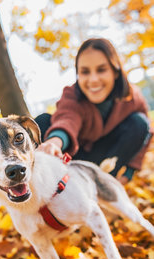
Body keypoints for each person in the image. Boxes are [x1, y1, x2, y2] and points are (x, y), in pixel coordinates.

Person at [35, 38, 153, 184]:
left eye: (101, 70)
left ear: (115, 71)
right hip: (73, 158)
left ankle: (104, 185)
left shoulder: (131, 97)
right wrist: (55, 142)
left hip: (106, 161)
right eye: (85, 72)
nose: (93, 79)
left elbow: (146, 133)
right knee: (42, 122)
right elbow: (67, 118)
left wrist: (128, 173)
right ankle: (49, 185)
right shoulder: (72, 95)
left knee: (139, 122)